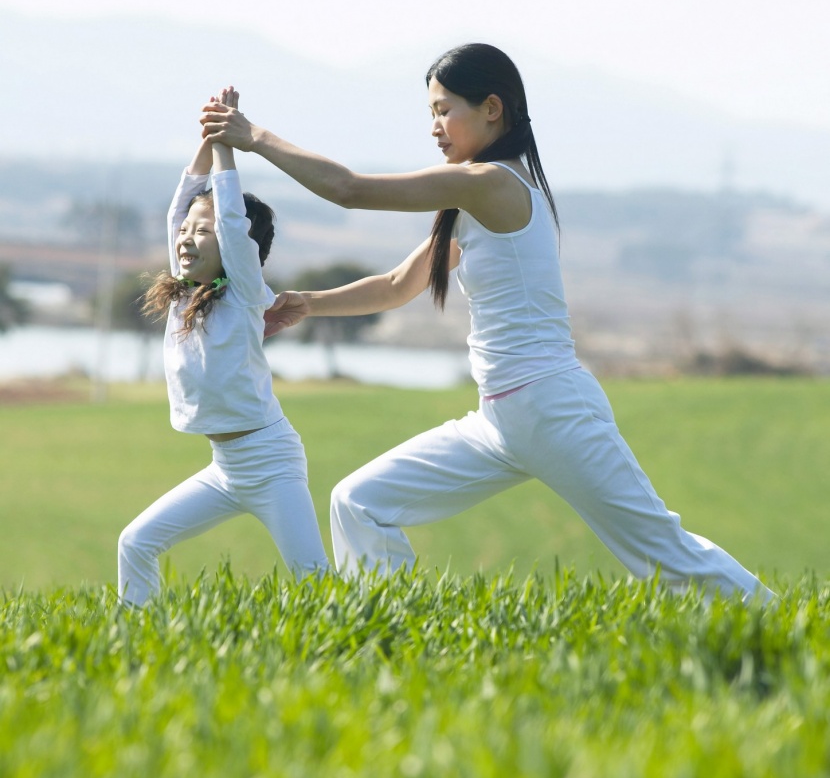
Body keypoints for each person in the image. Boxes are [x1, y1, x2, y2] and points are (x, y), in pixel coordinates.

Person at [201, 45, 773, 602]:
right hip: (500, 420)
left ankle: (783, 623)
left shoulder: (492, 185)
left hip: (553, 411)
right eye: (432, 113)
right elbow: (401, 284)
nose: (435, 127)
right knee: (359, 501)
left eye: (444, 110)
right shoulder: (473, 196)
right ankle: (390, 634)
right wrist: (309, 303)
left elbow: (348, 190)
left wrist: (255, 138)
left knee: (664, 554)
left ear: (491, 108)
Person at [118, 92, 329, 606]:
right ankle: (132, 644)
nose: (187, 240)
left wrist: (229, 151)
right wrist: (208, 137)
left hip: (270, 462)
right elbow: (178, 210)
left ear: (241, 251)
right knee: (135, 542)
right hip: (226, 466)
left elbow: (232, 224)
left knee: (316, 584)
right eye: (186, 233)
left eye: (202, 232)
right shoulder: (185, 290)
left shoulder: (244, 293)